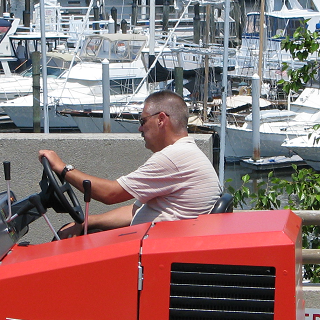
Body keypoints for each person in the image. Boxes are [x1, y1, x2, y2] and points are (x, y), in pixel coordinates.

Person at [38, 90, 220, 236]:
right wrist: (87, 222)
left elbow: (110, 194)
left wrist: (62, 168)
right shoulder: (185, 153)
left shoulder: (174, 158)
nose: (140, 128)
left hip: (153, 260)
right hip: (153, 248)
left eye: (143, 121)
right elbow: (136, 211)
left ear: (161, 119)